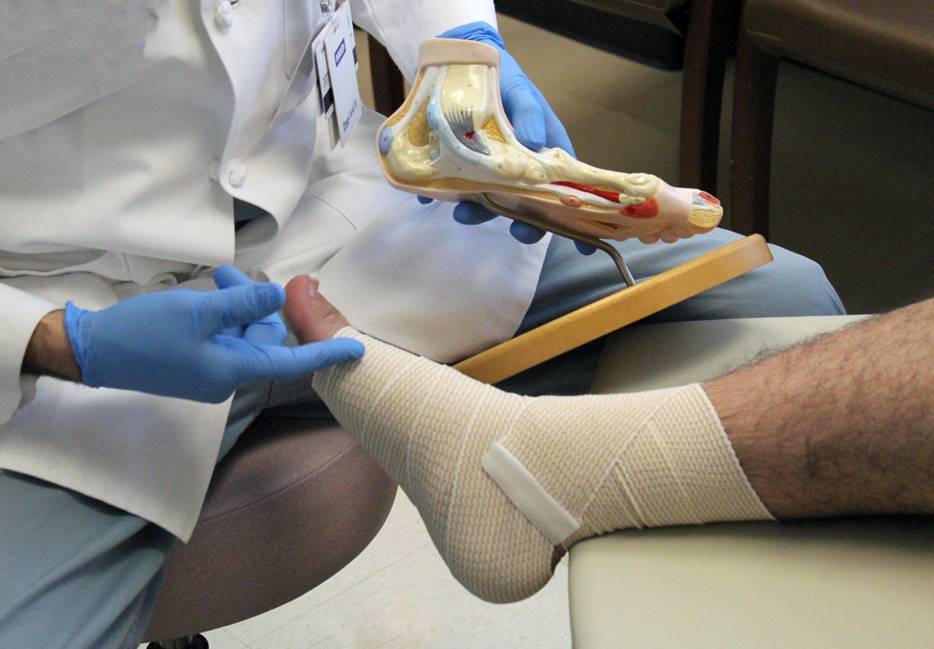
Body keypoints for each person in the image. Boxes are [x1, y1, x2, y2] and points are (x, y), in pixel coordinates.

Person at [0, 3, 841, 646]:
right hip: (72, 322)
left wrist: (461, 45)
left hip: (326, 214)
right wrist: (56, 341)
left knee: (787, 328)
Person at [281, 276, 932, 603]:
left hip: (362, 186)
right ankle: (534, 458)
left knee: (790, 294)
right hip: (207, 264)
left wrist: (461, 40)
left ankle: (531, 459)